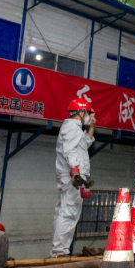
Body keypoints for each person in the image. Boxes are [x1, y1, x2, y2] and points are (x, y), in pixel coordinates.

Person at [50, 98, 96, 258]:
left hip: (73, 178)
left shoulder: (75, 129)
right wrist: (75, 173)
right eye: (88, 113)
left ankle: (59, 251)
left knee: (65, 212)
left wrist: (91, 128)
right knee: (69, 213)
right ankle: (59, 252)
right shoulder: (72, 128)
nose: (90, 116)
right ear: (81, 112)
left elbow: (85, 144)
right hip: (73, 179)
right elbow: (69, 151)